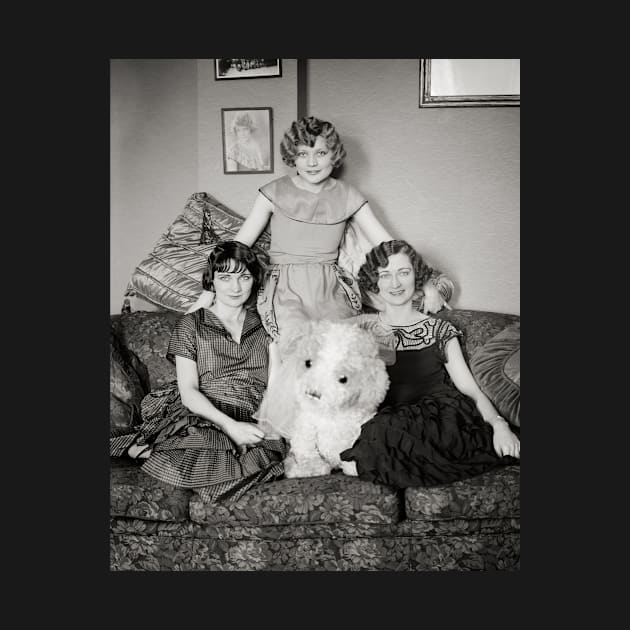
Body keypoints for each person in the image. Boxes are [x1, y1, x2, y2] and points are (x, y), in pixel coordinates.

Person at [228, 116, 451, 339]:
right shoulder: (273, 192)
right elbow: (236, 248)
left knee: (340, 348)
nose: (312, 163)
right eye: (303, 154)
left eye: (321, 153)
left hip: (331, 288)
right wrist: (208, 295)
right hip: (285, 289)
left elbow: (389, 246)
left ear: (333, 155)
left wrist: (430, 287)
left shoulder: (348, 195)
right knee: (299, 347)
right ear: (293, 157)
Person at [110, 241, 289, 503]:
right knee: (203, 441)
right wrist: (230, 426)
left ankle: (156, 449)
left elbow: (276, 387)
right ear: (212, 280)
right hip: (205, 410)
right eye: (225, 277)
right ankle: (143, 448)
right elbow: (189, 391)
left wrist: (267, 423)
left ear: (254, 280)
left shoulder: (264, 324)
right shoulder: (191, 325)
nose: (235, 287)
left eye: (244, 277)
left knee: (275, 450)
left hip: (252, 409)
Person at [339, 239, 520, 488]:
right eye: (385, 275)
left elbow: (470, 390)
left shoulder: (439, 329)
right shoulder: (359, 328)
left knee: (383, 431)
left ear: (418, 278)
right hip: (390, 423)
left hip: (440, 418)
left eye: (404, 273)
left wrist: (499, 426)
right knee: (380, 430)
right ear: (375, 281)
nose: (395, 283)